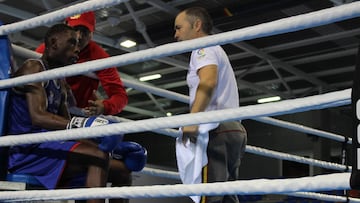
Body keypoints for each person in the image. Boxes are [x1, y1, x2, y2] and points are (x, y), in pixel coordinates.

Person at [7, 24, 146, 203]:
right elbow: (38, 116)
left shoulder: (61, 83)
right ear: (54, 43)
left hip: (49, 148)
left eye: (78, 45)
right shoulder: (34, 67)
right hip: (27, 150)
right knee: (97, 156)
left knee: (122, 170)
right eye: (72, 43)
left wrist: (108, 145)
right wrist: (85, 125)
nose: (77, 49)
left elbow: (69, 128)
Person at [174, 7, 247, 203]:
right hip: (234, 130)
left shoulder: (203, 48)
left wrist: (193, 120)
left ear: (197, 25)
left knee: (211, 197)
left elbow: (208, 81)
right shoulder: (216, 48)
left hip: (216, 129)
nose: (176, 34)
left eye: (179, 28)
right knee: (227, 196)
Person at [36, 11, 128, 117]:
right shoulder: (45, 49)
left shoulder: (98, 55)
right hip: (47, 107)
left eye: (84, 31)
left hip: (79, 113)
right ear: (64, 29)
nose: (78, 36)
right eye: (74, 29)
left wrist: (105, 106)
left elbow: (119, 95)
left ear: (92, 34)